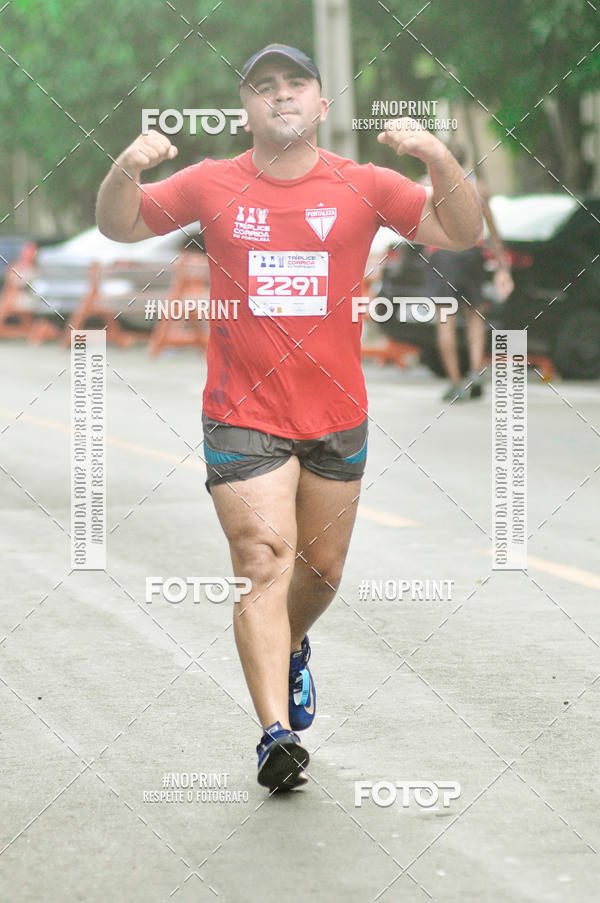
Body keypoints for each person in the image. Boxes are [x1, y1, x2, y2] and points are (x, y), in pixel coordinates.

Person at [96, 43, 483, 791]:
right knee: (264, 561)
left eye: (295, 83)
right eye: (263, 86)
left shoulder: (364, 184)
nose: (280, 95)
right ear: (246, 108)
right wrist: (126, 167)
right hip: (242, 412)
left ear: (321, 105)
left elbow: (459, 230)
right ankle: (274, 733)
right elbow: (121, 225)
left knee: (322, 570)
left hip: (337, 412)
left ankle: (291, 641)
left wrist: (434, 151)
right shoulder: (210, 184)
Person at [426, 142, 513, 401]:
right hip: (472, 253)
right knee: (476, 316)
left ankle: (456, 383)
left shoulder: (430, 185)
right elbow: (492, 228)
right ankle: (475, 371)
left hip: (442, 255)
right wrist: (501, 264)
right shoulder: (478, 188)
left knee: (446, 320)